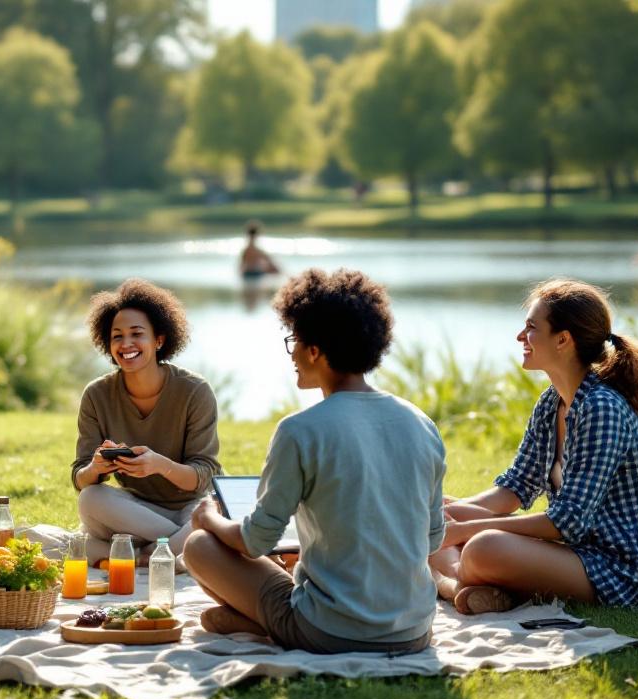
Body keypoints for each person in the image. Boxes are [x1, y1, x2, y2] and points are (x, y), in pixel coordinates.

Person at [184, 268, 445, 654]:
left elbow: (255, 542)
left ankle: (267, 626)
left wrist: (208, 517)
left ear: (315, 350)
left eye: (294, 341)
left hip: (333, 632)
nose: (291, 354)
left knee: (199, 547)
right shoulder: (421, 423)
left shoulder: (299, 430)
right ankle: (263, 622)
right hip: (413, 632)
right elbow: (432, 539)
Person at [430, 279, 638, 615]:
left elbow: (567, 522)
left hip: (628, 569)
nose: (521, 337)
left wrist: (467, 529)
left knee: (480, 547)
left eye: (531, 328)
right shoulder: (552, 403)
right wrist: (446, 517)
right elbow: (514, 489)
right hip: (584, 549)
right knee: (433, 512)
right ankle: (484, 589)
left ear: (563, 340)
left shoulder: (601, 408)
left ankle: (449, 584)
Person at [71, 279, 221, 565]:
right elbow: (80, 477)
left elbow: (204, 472)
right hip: (137, 511)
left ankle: (137, 555)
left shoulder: (195, 391)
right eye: (117, 336)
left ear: (159, 340)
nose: (126, 344)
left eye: (136, 334)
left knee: (214, 512)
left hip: (193, 506)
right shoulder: (96, 395)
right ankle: (179, 550)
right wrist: (96, 468)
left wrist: (160, 465)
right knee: (91, 498)